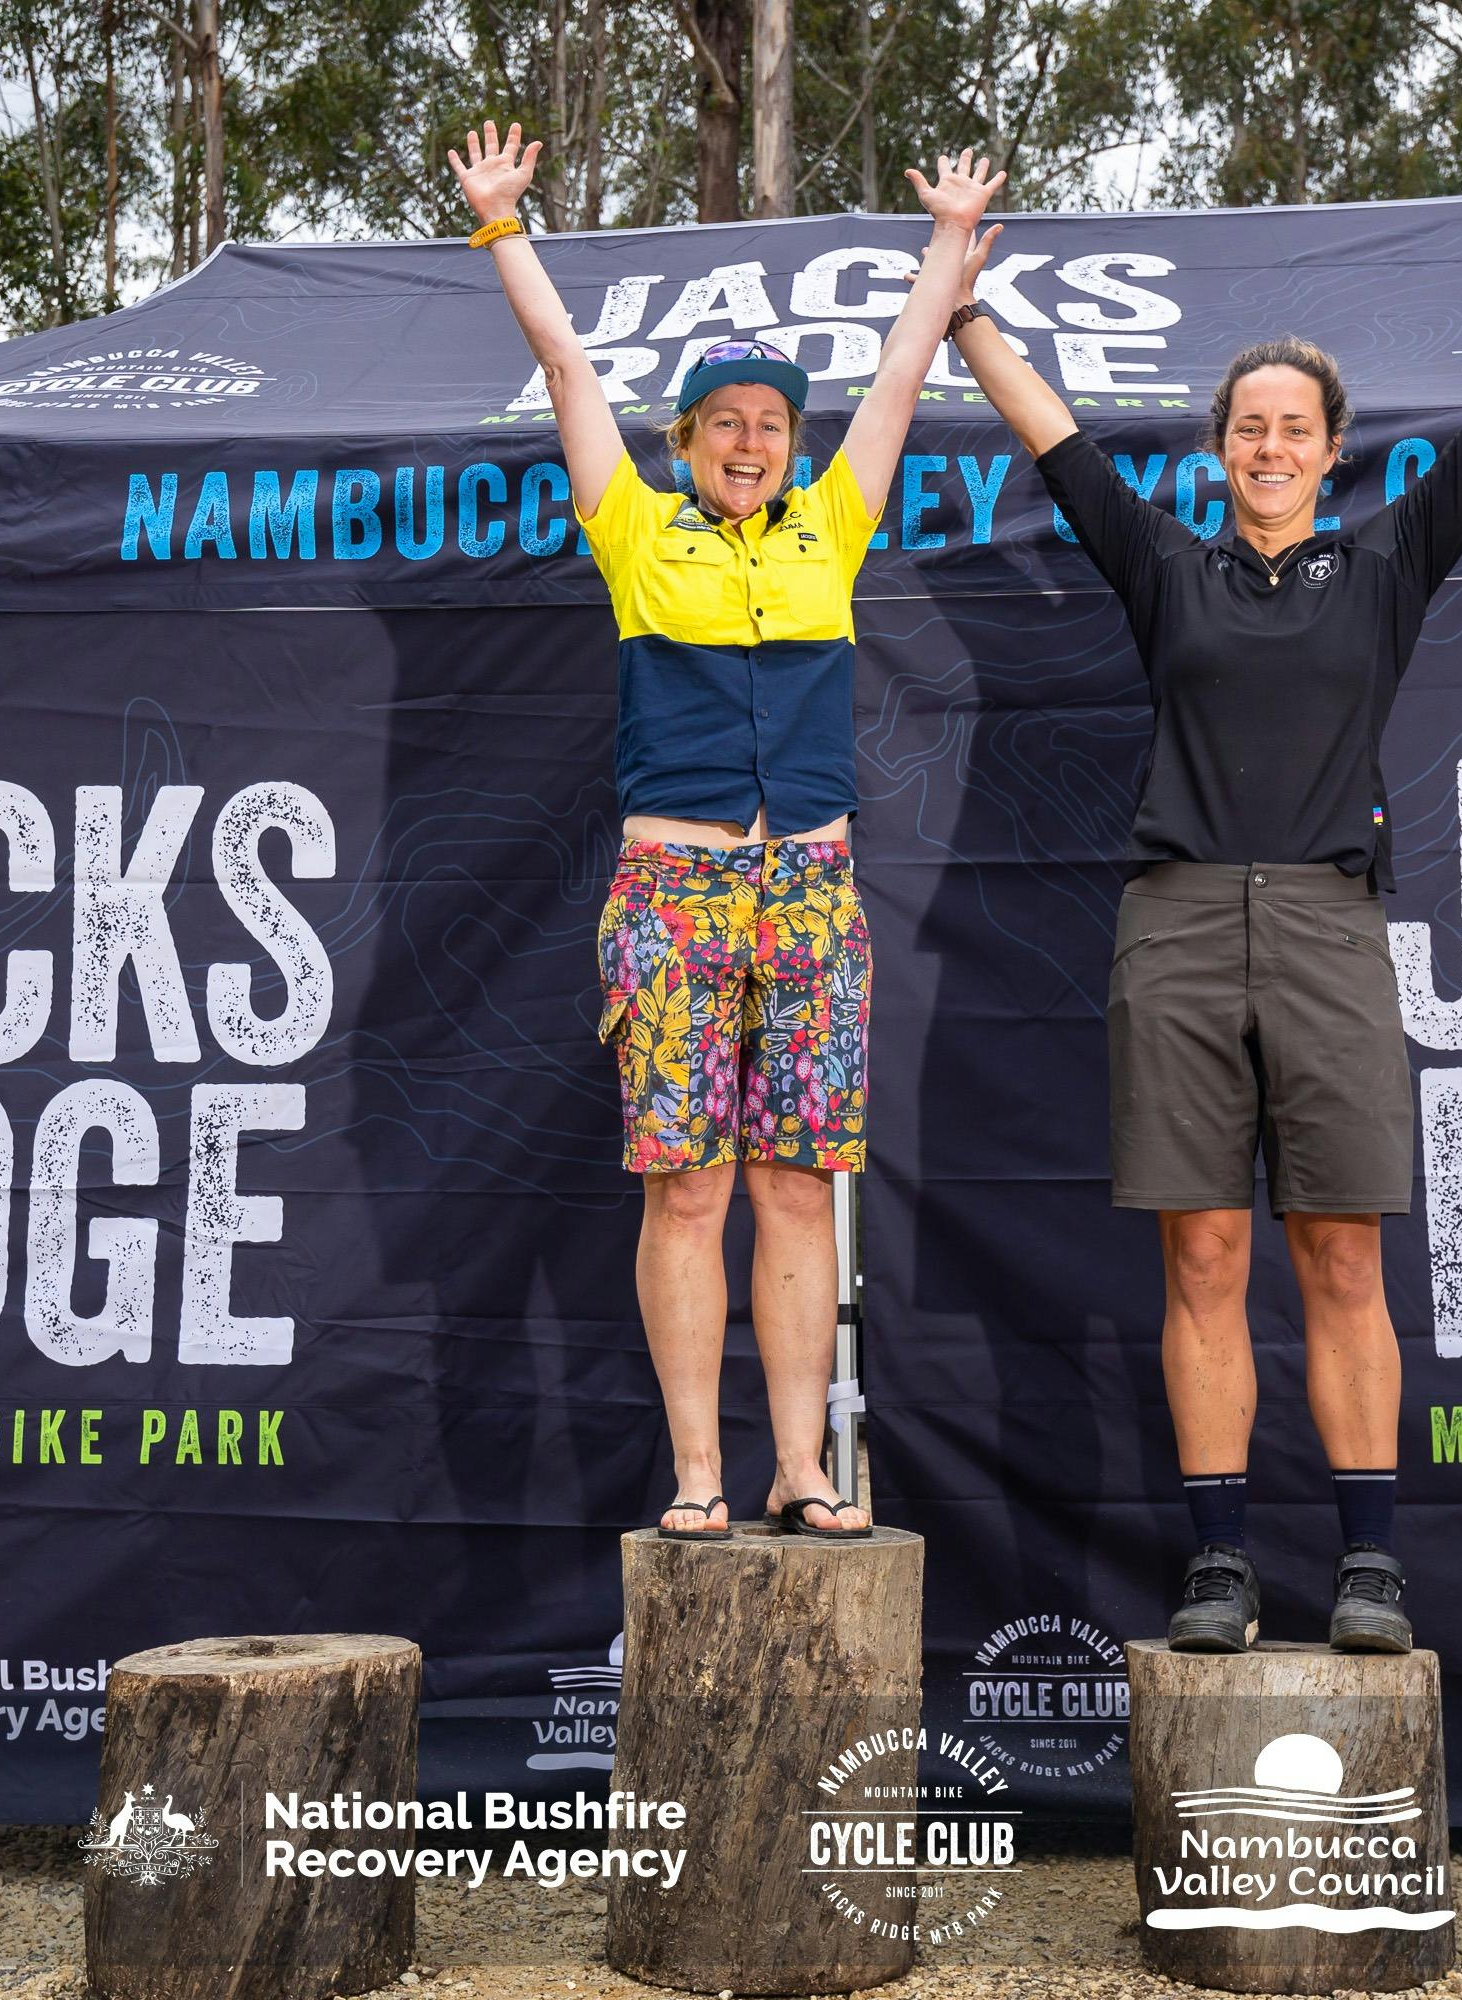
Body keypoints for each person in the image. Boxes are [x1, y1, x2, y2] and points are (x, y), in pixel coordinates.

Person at [951, 129, 1462, 1649]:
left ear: (1330, 449)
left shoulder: (1384, 563)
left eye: (1293, 427)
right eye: (1245, 426)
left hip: (1325, 921)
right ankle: (1222, 1564)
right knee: (1203, 1253)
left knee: (1342, 1250)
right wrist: (965, 298)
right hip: (1175, 926)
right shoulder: (1165, 565)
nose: (1267, 447)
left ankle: (1369, 1559)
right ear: (1218, 449)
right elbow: (1049, 436)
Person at [448, 121, 1002, 1540]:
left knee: (799, 1189)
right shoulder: (635, 530)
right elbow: (570, 370)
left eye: (770, 424)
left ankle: (800, 1466)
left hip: (811, 893)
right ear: (684, 442)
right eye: (726, 425)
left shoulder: (833, 529)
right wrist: (505, 225)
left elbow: (895, 375)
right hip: (674, 893)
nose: (752, 443)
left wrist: (946, 247)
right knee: (689, 1190)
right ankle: (699, 1472)